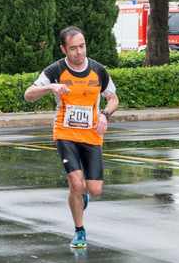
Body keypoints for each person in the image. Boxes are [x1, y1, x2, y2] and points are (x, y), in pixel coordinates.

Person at [24, 26, 119, 248]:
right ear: (63, 49)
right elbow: (28, 95)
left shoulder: (98, 70)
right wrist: (50, 88)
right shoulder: (55, 71)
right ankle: (79, 231)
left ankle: (82, 196)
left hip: (92, 135)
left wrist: (105, 114)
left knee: (94, 189)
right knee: (76, 184)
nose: (79, 52)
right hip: (65, 133)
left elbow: (113, 98)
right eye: (73, 48)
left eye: (82, 46)